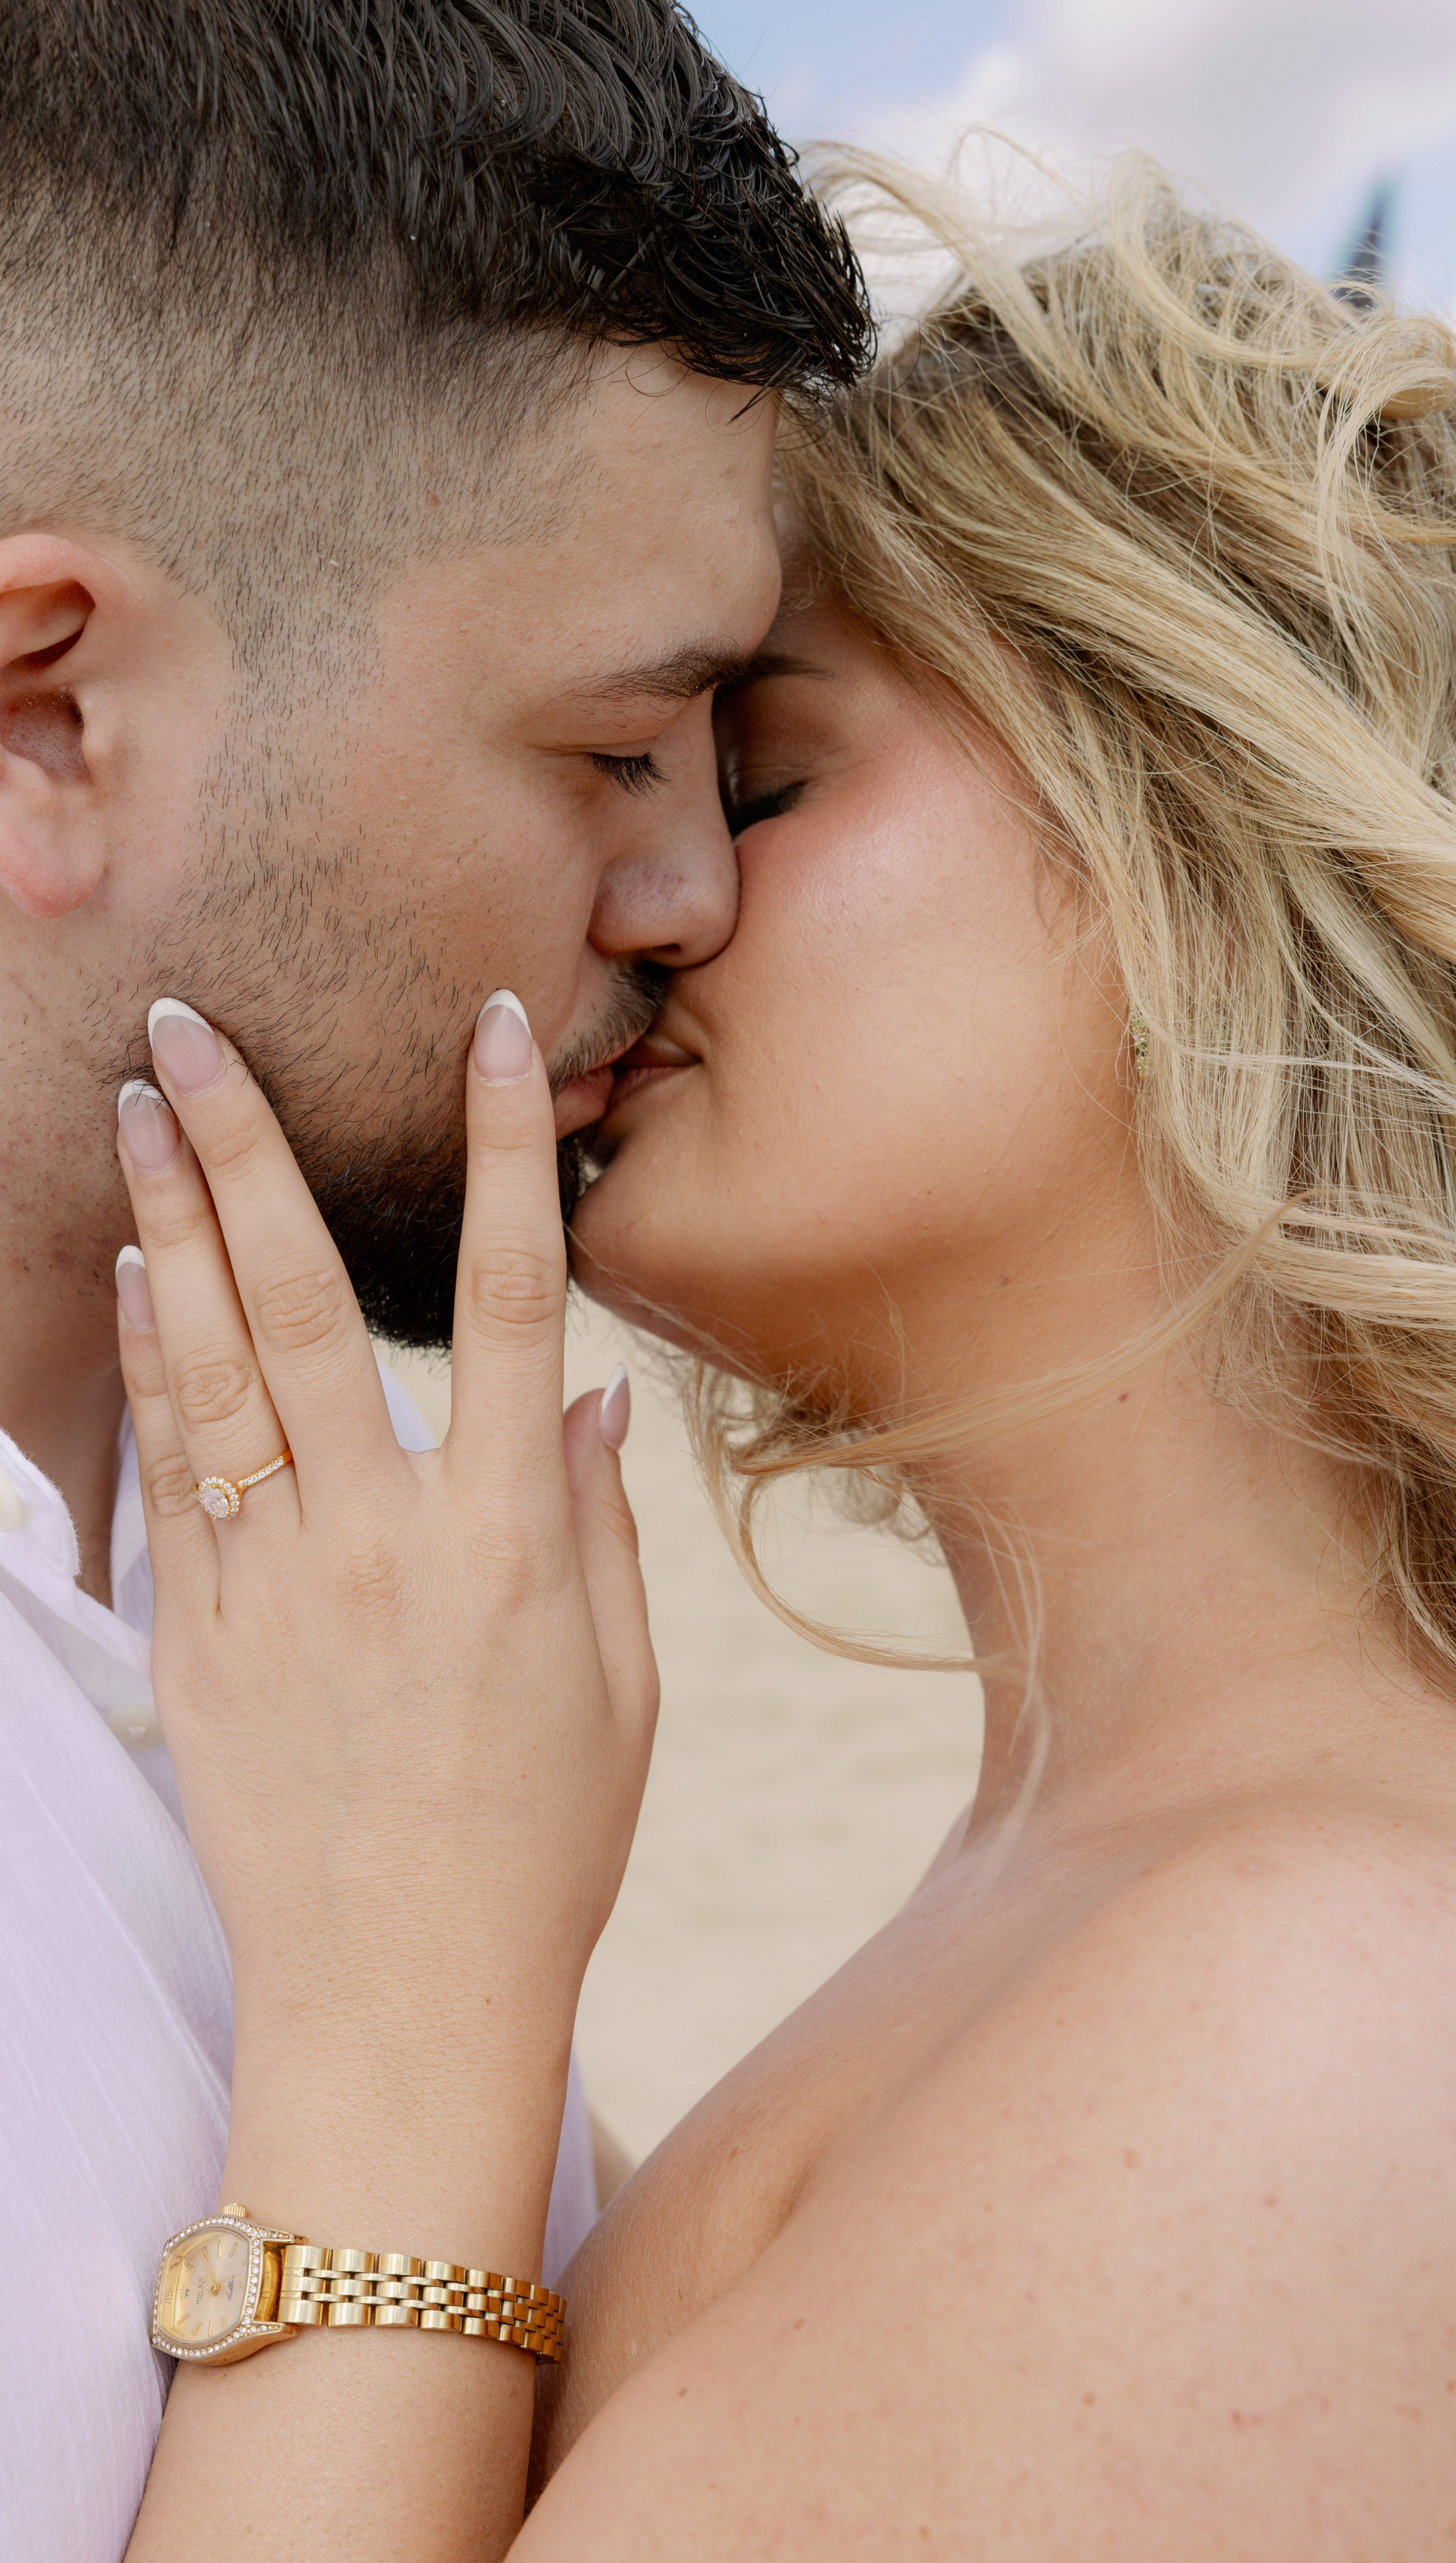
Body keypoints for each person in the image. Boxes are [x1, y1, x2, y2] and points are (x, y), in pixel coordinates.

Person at [110, 157, 1456, 2556]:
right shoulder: (1111, 1900)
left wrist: (407, 2026)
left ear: (1209, 809)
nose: (640, 903)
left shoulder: (1317, 2009)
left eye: (754, 775)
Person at [0, 5, 872, 2556]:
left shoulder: (317, 1608)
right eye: (619, 744)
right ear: (48, 714)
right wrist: (407, 2056)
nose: (698, 892)